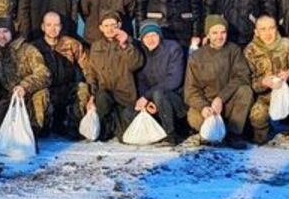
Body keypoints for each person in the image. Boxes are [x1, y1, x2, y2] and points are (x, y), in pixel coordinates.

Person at [244, 15, 289, 145]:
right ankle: (261, 131)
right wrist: (263, 82)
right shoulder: (250, 51)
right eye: (263, 29)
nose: (268, 33)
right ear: (256, 32)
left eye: (271, 28)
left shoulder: (286, 44)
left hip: (287, 89)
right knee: (257, 117)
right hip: (265, 95)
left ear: (277, 28)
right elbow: (247, 80)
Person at [184, 15, 254, 143]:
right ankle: (210, 134)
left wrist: (221, 98)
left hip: (228, 102)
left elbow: (242, 76)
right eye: (214, 33)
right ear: (208, 35)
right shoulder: (197, 56)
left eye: (223, 32)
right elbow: (190, 90)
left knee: (245, 91)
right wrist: (204, 107)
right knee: (194, 118)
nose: (219, 36)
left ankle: (234, 133)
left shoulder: (234, 51)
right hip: (207, 104)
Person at [0, 18, 51, 134]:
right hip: (9, 99)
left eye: (5, 31)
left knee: (42, 93)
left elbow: (44, 74)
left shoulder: (28, 50)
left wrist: (24, 87)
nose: (2, 36)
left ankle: (35, 130)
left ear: (12, 32)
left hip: (29, 97)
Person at [84, 12, 144, 140]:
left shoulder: (129, 42)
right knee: (102, 98)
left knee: (125, 137)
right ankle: (106, 125)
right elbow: (92, 72)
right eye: (106, 26)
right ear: (101, 28)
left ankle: (117, 124)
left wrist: (125, 45)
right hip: (105, 93)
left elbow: (136, 64)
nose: (110, 29)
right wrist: (92, 95)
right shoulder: (96, 46)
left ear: (119, 25)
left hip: (125, 96)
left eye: (113, 25)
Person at [32, 11, 89, 137]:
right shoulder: (34, 48)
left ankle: (74, 126)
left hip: (66, 88)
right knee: (39, 96)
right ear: (43, 27)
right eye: (49, 25)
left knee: (83, 89)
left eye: (56, 25)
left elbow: (87, 69)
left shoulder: (72, 44)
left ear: (61, 26)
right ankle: (40, 127)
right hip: (46, 90)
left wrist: (93, 92)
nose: (53, 29)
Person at [134, 20, 185, 139]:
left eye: (153, 35)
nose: (150, 39)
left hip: (174, 99)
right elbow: (141, 81)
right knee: (128, 113)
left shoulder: (173, 49)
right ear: (142, 39)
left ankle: (171, 133)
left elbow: (174, 80)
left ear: (160, 36)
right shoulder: (141, 53)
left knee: (159, 94)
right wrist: (147, 102)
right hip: (152, 100)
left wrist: (147, 96)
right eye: (146, 36)